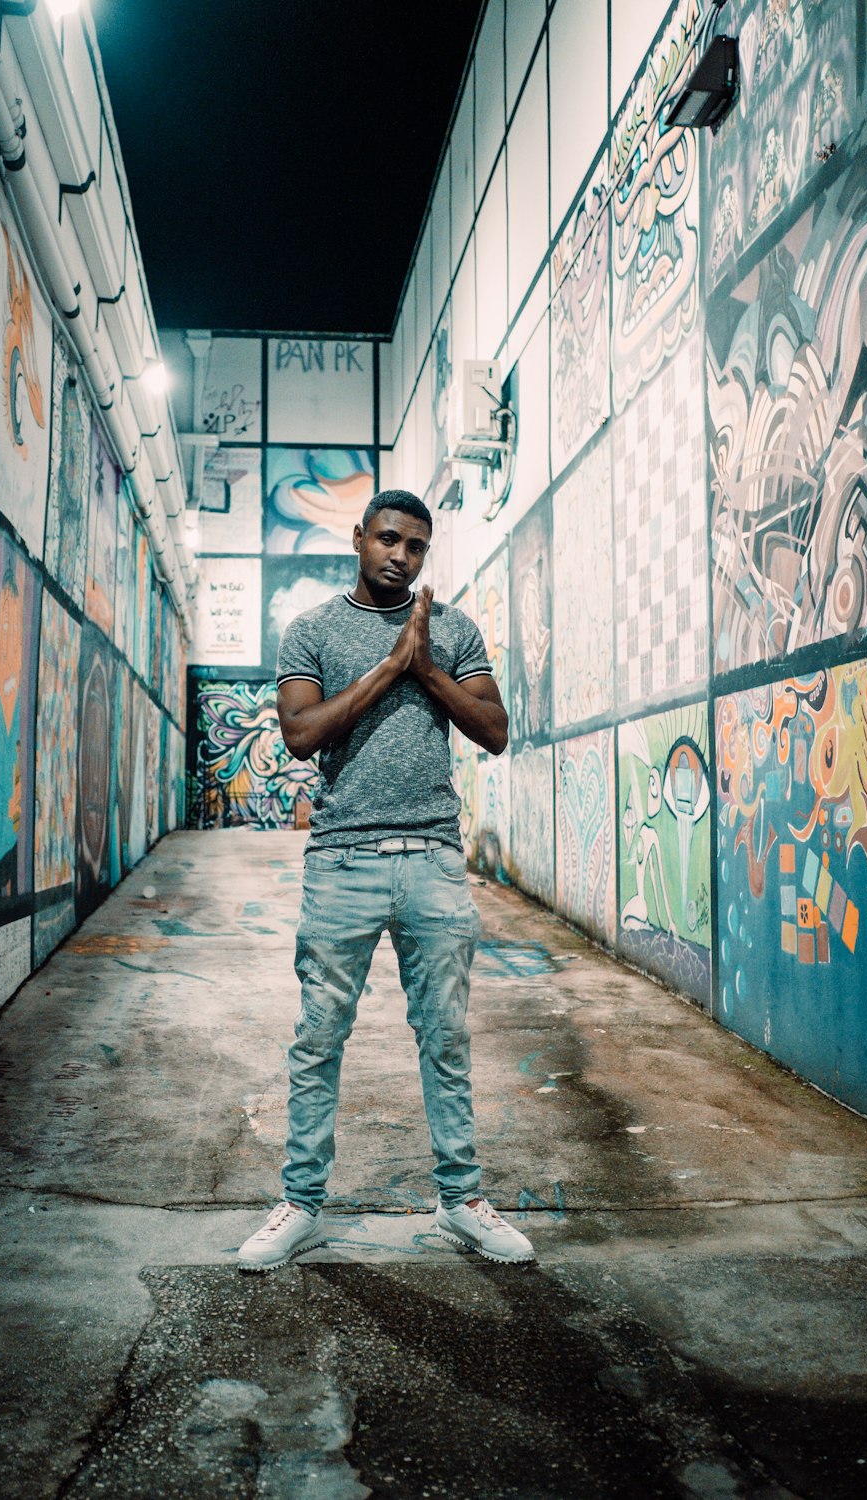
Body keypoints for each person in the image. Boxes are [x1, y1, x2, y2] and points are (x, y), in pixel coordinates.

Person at [237, 490, 535, 1270]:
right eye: (389, 539)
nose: (400, 555)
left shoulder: (452, 628)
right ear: (360, 537)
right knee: (319, 1039)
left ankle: (461, 1201)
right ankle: (300, 1205)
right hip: (342, 860)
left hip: (433, 859)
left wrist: (426, 666)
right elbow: (300, 735)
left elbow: (495, 731)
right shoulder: (311, 630)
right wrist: (388, 667)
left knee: (445, 1038)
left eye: (415, 547)